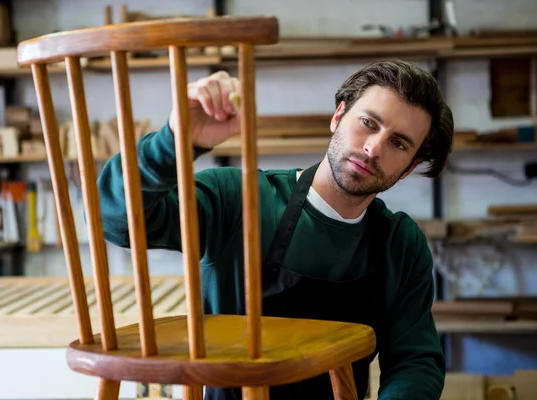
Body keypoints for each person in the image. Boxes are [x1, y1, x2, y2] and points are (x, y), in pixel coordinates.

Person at [96, 59, 454, 400]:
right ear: (338, 115)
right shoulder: (240, 200)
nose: (373, 147)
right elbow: (116, 219)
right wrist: (173, 141)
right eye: (369, 123)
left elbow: (415, 361)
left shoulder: (400, 244)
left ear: (409, 167)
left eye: (398, 143)